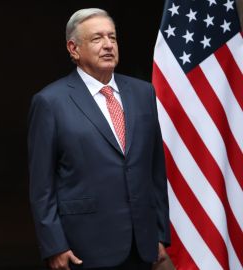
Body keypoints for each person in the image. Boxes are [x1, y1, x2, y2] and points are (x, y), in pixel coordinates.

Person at [28, 8, 170, 270]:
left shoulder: (143, 93)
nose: (108, 45)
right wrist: (54, 245)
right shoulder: (50, 102)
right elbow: (41, 186)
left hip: (142, 246)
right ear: (74, 48)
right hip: (84, 247)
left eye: (112, 38)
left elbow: (155, 169)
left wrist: (159, 233)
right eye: (96, 39)